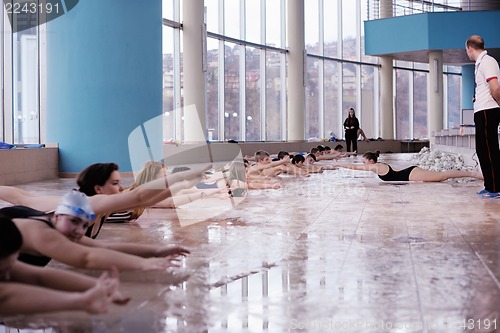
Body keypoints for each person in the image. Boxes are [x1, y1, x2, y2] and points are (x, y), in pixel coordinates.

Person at [0, 162, 210, 238]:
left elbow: (143, 200)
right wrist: (185, 175)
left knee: (24, 197)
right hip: (23, 217)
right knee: (23, 197)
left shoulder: (101, 206)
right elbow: (140, 196)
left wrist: (188, 180)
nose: (120, 187)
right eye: (115, 183)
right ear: (98, 188)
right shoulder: (94, 204)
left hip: (35, 216)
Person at [1, 191, 189, 271]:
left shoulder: (61, 228)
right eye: (74, 222)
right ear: (57, 216)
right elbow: (87, 258)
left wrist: (156, 251)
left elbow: (102, 248)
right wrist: (141, 264)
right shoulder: (42, 233)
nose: (79, 231)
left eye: (84, 226)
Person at [0, 216, 129, 315]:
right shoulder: (42, 233)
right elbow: (5, 296)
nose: (7, 277)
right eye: (2, 271)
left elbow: (38, 276)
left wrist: (97, 285)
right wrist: (81, 301)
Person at [465, 35, 500, 198]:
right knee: (483, 150)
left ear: (469, 47)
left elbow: (495, 88)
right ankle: (490, 185)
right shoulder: (480, 64)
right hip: (482, 110)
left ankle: (495, 188)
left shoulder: (487, 62)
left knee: (489, 149)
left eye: (466, 49)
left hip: (488, 111)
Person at [335, 151, 483, 182]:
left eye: (364, 162)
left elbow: (356, 168)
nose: (363, 165)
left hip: (411, 174)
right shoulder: (377, 167)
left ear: (371, 162)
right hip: (411, 173)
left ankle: (473, 173)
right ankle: (472, 173)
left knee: (442, 176)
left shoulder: (377, 167)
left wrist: (341, 164)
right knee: (441, 175)